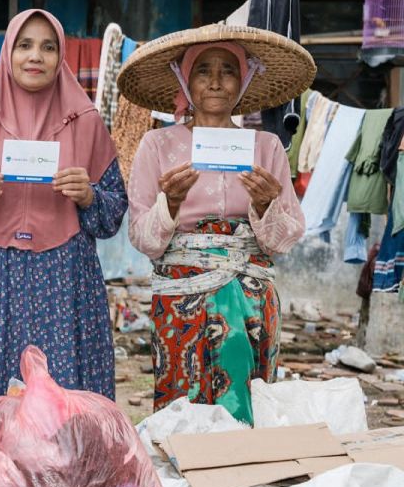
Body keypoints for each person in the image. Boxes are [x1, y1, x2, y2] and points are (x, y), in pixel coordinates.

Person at [0, 9, 126, 446]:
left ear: (61, 56)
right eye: (24, 45)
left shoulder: (88, 123)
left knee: (66, 395)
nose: (35, 56)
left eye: (48, 46)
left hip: (66, 279)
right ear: (7, 53)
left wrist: (89, 195)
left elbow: (112, 215)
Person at [118, 24, 313, 424]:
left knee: (248, 402)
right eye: (203, 70)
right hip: (181, 298)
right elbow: (142, 236)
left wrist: (265, 204)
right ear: (185, 80)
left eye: (228, 70)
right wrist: (170, 203)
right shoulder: (157, 146)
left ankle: (243, 477)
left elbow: (286, 238)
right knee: (183, 407)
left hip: (251, 300)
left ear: (243, 82)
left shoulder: (266, 147)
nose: (216, 82)